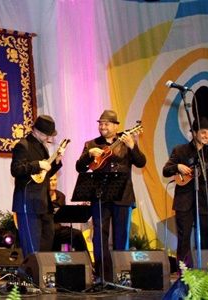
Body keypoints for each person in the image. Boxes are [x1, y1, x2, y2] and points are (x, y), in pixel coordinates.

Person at [75, 109, 146, 281]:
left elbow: (141, 162)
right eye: (100, 123)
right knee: (99, 236)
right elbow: (79, 167)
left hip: (123, 195)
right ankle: (102, 274)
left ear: (115, 126)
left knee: (121, 235)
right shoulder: (91, 144)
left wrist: (132, 146)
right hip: (99, 196)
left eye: (106, 123)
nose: (102, 126)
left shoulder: (125, 141)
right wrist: (88, 155)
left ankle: (121, 274)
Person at [10, 115, 62, 258]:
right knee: (32, 248)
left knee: (46, 243)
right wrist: (37, 164)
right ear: (37, 131)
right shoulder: (23, 145)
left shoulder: (42, 147)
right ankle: (32, 277)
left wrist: (56, 162)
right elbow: (16, 169)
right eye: (47, 135)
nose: (48, 138)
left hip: (43, 204)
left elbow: (44, 174)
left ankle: (42, 276)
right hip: (28, 203)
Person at [163, 117, 208, 268]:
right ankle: (184, 273)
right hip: (184, 202)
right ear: (194, 133)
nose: (206, 136)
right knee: (184, 238)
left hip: (205, 201)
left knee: (205, 237)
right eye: (203, 132)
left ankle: (204, 270)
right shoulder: (180, 150)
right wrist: (178, 167)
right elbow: (166, 170)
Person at [49, 175, 88, 252]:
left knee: (77, 234)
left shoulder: (61, 195)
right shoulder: (43, 197)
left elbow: (63, 215)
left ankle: (85, 262)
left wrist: (78, 209)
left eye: (55, 180)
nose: (53, 183)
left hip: (57, 229)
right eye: (51, 180)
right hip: (47, 229)